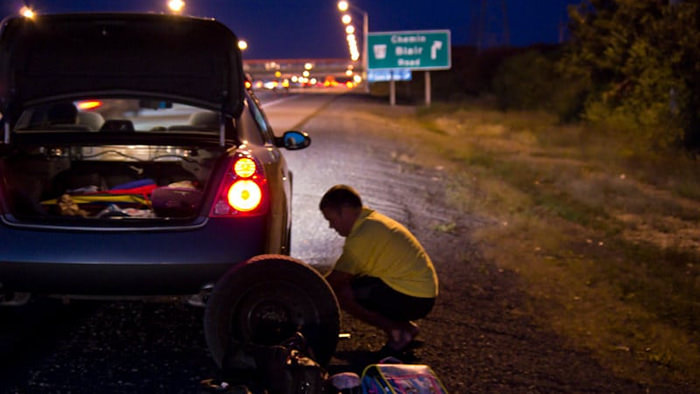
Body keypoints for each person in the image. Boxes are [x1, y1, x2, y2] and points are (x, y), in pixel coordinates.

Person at [319, 185, 438, 352]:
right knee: (359, 285)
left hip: (413, 298)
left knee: (342, 293)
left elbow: (336, 280)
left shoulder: (363, 235)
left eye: (331, 219)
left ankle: (397, 332)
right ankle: (406, 328)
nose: (331, 226)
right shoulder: (372, 222)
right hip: (420, 294)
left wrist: (306, 294)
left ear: (345, 211)